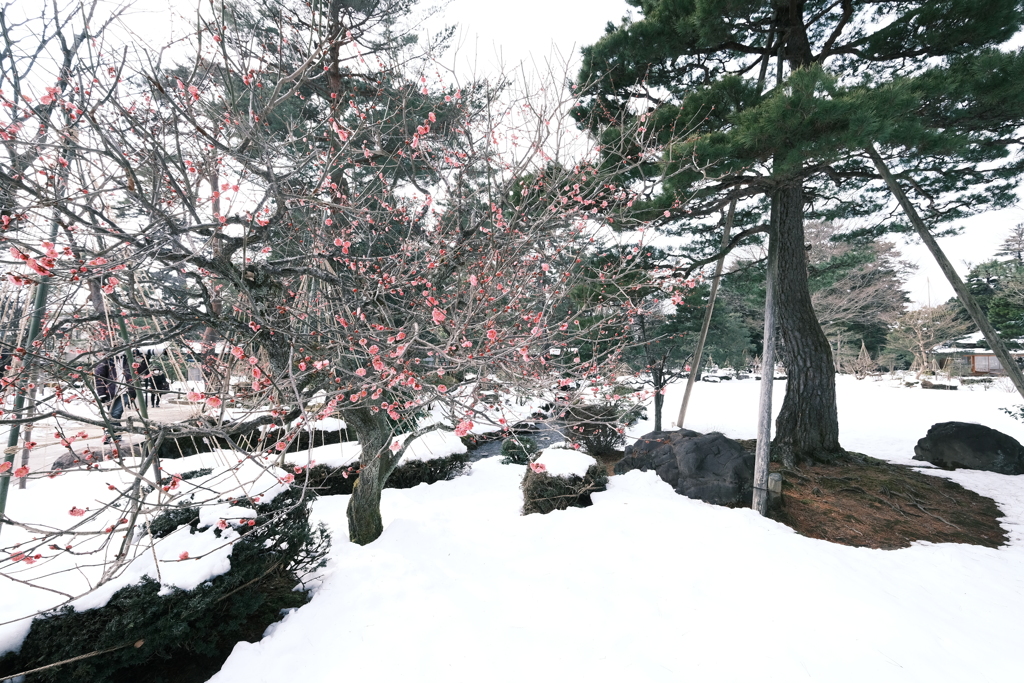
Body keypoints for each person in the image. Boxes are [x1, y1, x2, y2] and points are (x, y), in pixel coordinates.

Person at [94, 353, 135, 444]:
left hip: (126, 391)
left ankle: (108, 434)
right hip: (111, 392)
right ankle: (117, 433)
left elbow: (139, 370)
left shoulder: (129, 358)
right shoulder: (106, 361)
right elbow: (98, 377)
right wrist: (101, 393)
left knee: (116, 413)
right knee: (111, 415)